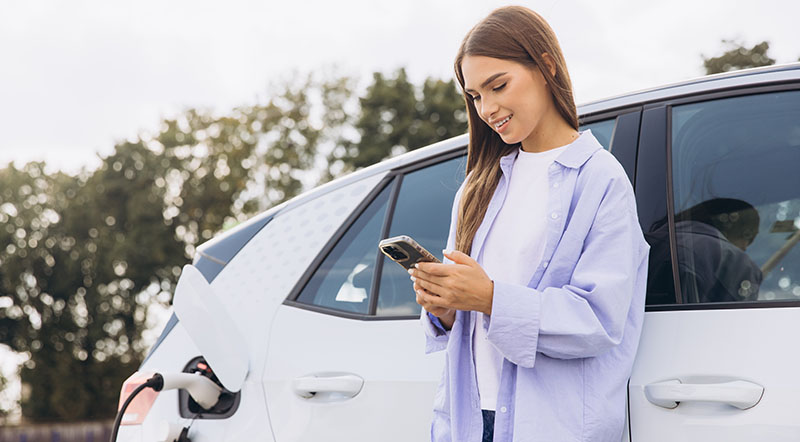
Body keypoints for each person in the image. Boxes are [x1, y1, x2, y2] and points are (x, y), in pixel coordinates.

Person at [409, 6, 650, 442]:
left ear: (546, 66)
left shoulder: (601, 179)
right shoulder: (477, 188)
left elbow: (597, 320)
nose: (488, 108)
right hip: (468, 419)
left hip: (550, 427)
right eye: (475, 96)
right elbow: (461, 324)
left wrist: (490, 298)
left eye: (498, 85)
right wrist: (445, 309)